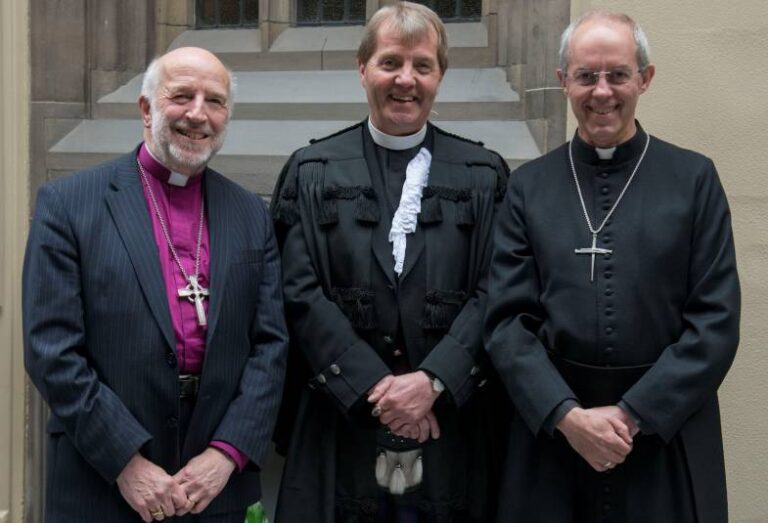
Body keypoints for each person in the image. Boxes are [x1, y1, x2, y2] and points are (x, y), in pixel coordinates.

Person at [485, 11, 740, 523]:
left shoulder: (693, 179)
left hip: (662, 437)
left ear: (644, 79)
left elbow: (715, 323)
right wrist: (568, 416)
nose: (602, 92)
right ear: (563, 82)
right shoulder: (528, 187)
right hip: (554, 439)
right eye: (586, 76)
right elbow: (507, 323)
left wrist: (631, 415)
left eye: (617, 74)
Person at [23, 47, 288, 523]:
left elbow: (270, 347)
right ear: (146, 109)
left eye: (215, 101)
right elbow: (52, 349)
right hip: (101, 483)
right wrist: (125, 462)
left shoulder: (251, 213)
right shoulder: (69, 204)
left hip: (213, 489)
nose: (198, 113)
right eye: (181, 96)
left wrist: (227, 454)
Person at [271, 3, 509, 521]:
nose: (407, 80)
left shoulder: (483, 174)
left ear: (440, 75)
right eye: (390, 63)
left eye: (422, 66)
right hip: (340, 420)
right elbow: (297, 289)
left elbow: (499, 289)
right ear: (362, 69)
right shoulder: (310, 170)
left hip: (449, 426)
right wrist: (378, 389)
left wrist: (432, 383)